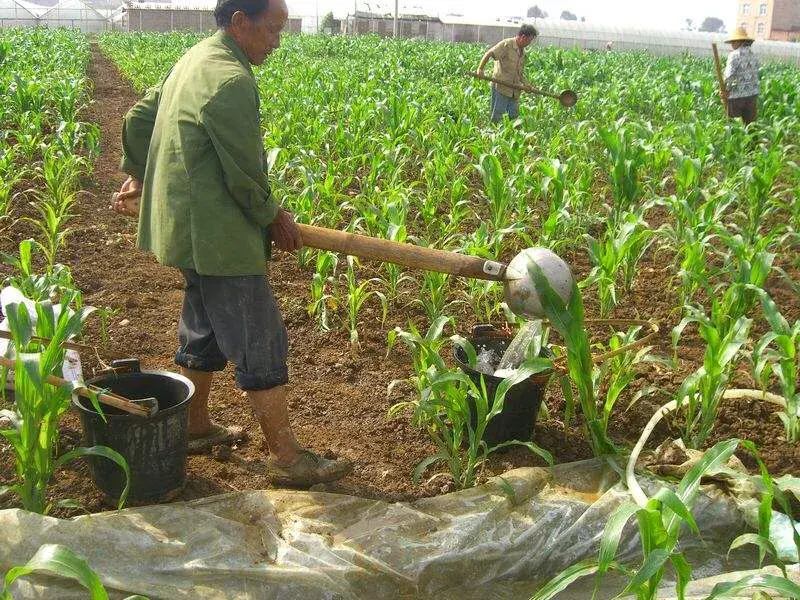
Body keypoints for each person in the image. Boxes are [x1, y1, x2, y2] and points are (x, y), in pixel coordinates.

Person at [111, 0, 352, 487]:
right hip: (219, 236)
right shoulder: (233, 81)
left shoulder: (195, 58)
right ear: (241, 22)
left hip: (184, 229)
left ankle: (196, 425)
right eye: (272, 29)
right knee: (258, 335)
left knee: (203, 325)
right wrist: (274, 218)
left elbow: (138, 118)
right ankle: (285, 457)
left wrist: (138, 175)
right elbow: (246, 176)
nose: (278, 41)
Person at [476, 24, 538, 123]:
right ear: (523, 37)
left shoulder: (523, 52)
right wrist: (480, 69)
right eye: (529, 41)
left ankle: (514, 136)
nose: (529, 43)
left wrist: (526, 84)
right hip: (501, 87)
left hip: (515, 89)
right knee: (497, 115)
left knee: (514, 116)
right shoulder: (507, 45)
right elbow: (489, 53)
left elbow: (519, 73)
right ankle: (493, 135)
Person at [723, 27, 760, 125]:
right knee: (750, 125)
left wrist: (725, 90)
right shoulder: (754, 55)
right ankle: (753, 140)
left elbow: (729, 76)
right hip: (752, 95)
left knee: (732, 125)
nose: (732, 44)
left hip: (737, 96)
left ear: (739, 41)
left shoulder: (734, 55)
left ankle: (734, 140)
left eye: (733, 42)